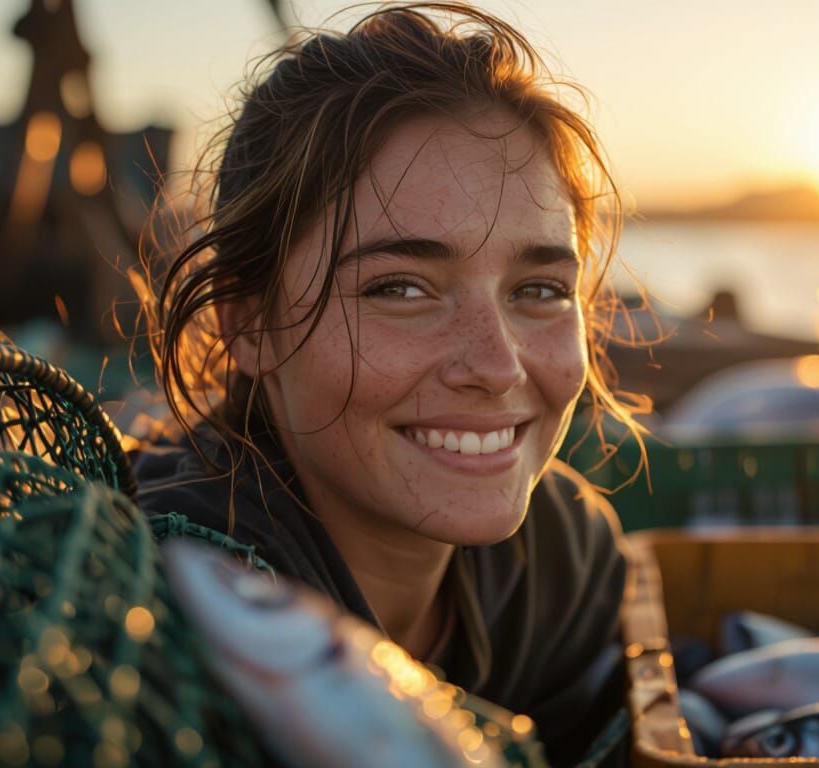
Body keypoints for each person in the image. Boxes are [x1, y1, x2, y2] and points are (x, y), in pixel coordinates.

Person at [134, 4, 646, 764]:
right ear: (248, 323)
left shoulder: (563, 564)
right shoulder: (161, 621)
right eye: (400, 288)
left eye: (539, 290)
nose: (498, 366)